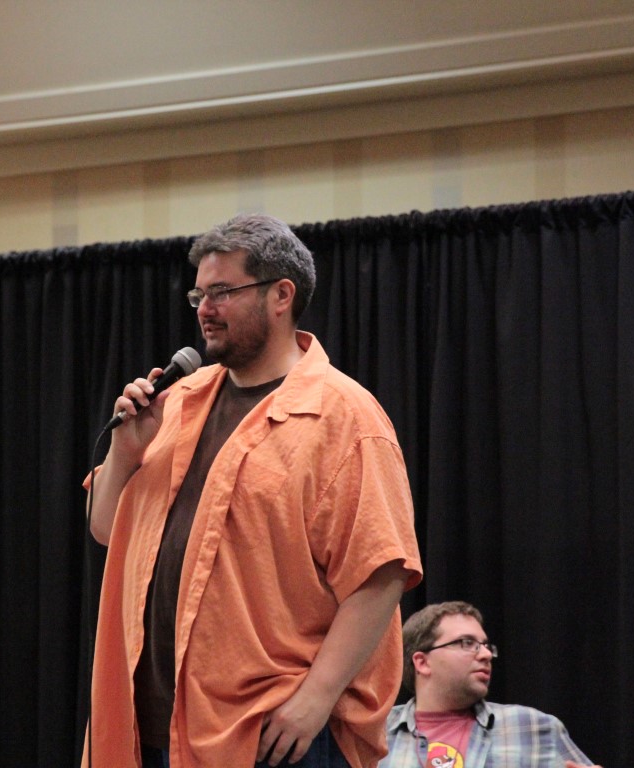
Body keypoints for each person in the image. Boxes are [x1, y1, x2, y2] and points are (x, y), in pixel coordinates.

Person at [85, 213, 423, 768]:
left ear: (281, 295)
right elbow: (105, 529)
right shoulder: (178, 399)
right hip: (156, 731)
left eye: (222, 292)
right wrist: (125, 450)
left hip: (273, 734)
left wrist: (314, 701)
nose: (204, 309)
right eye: (198, 294)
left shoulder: (345, 416)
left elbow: (381, 573)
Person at [381, 601, 601, 768]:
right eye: (467, 643)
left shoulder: (534, 728)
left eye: (486, 645)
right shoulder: (376, 735)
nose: (486, 654)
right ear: (422, 662)